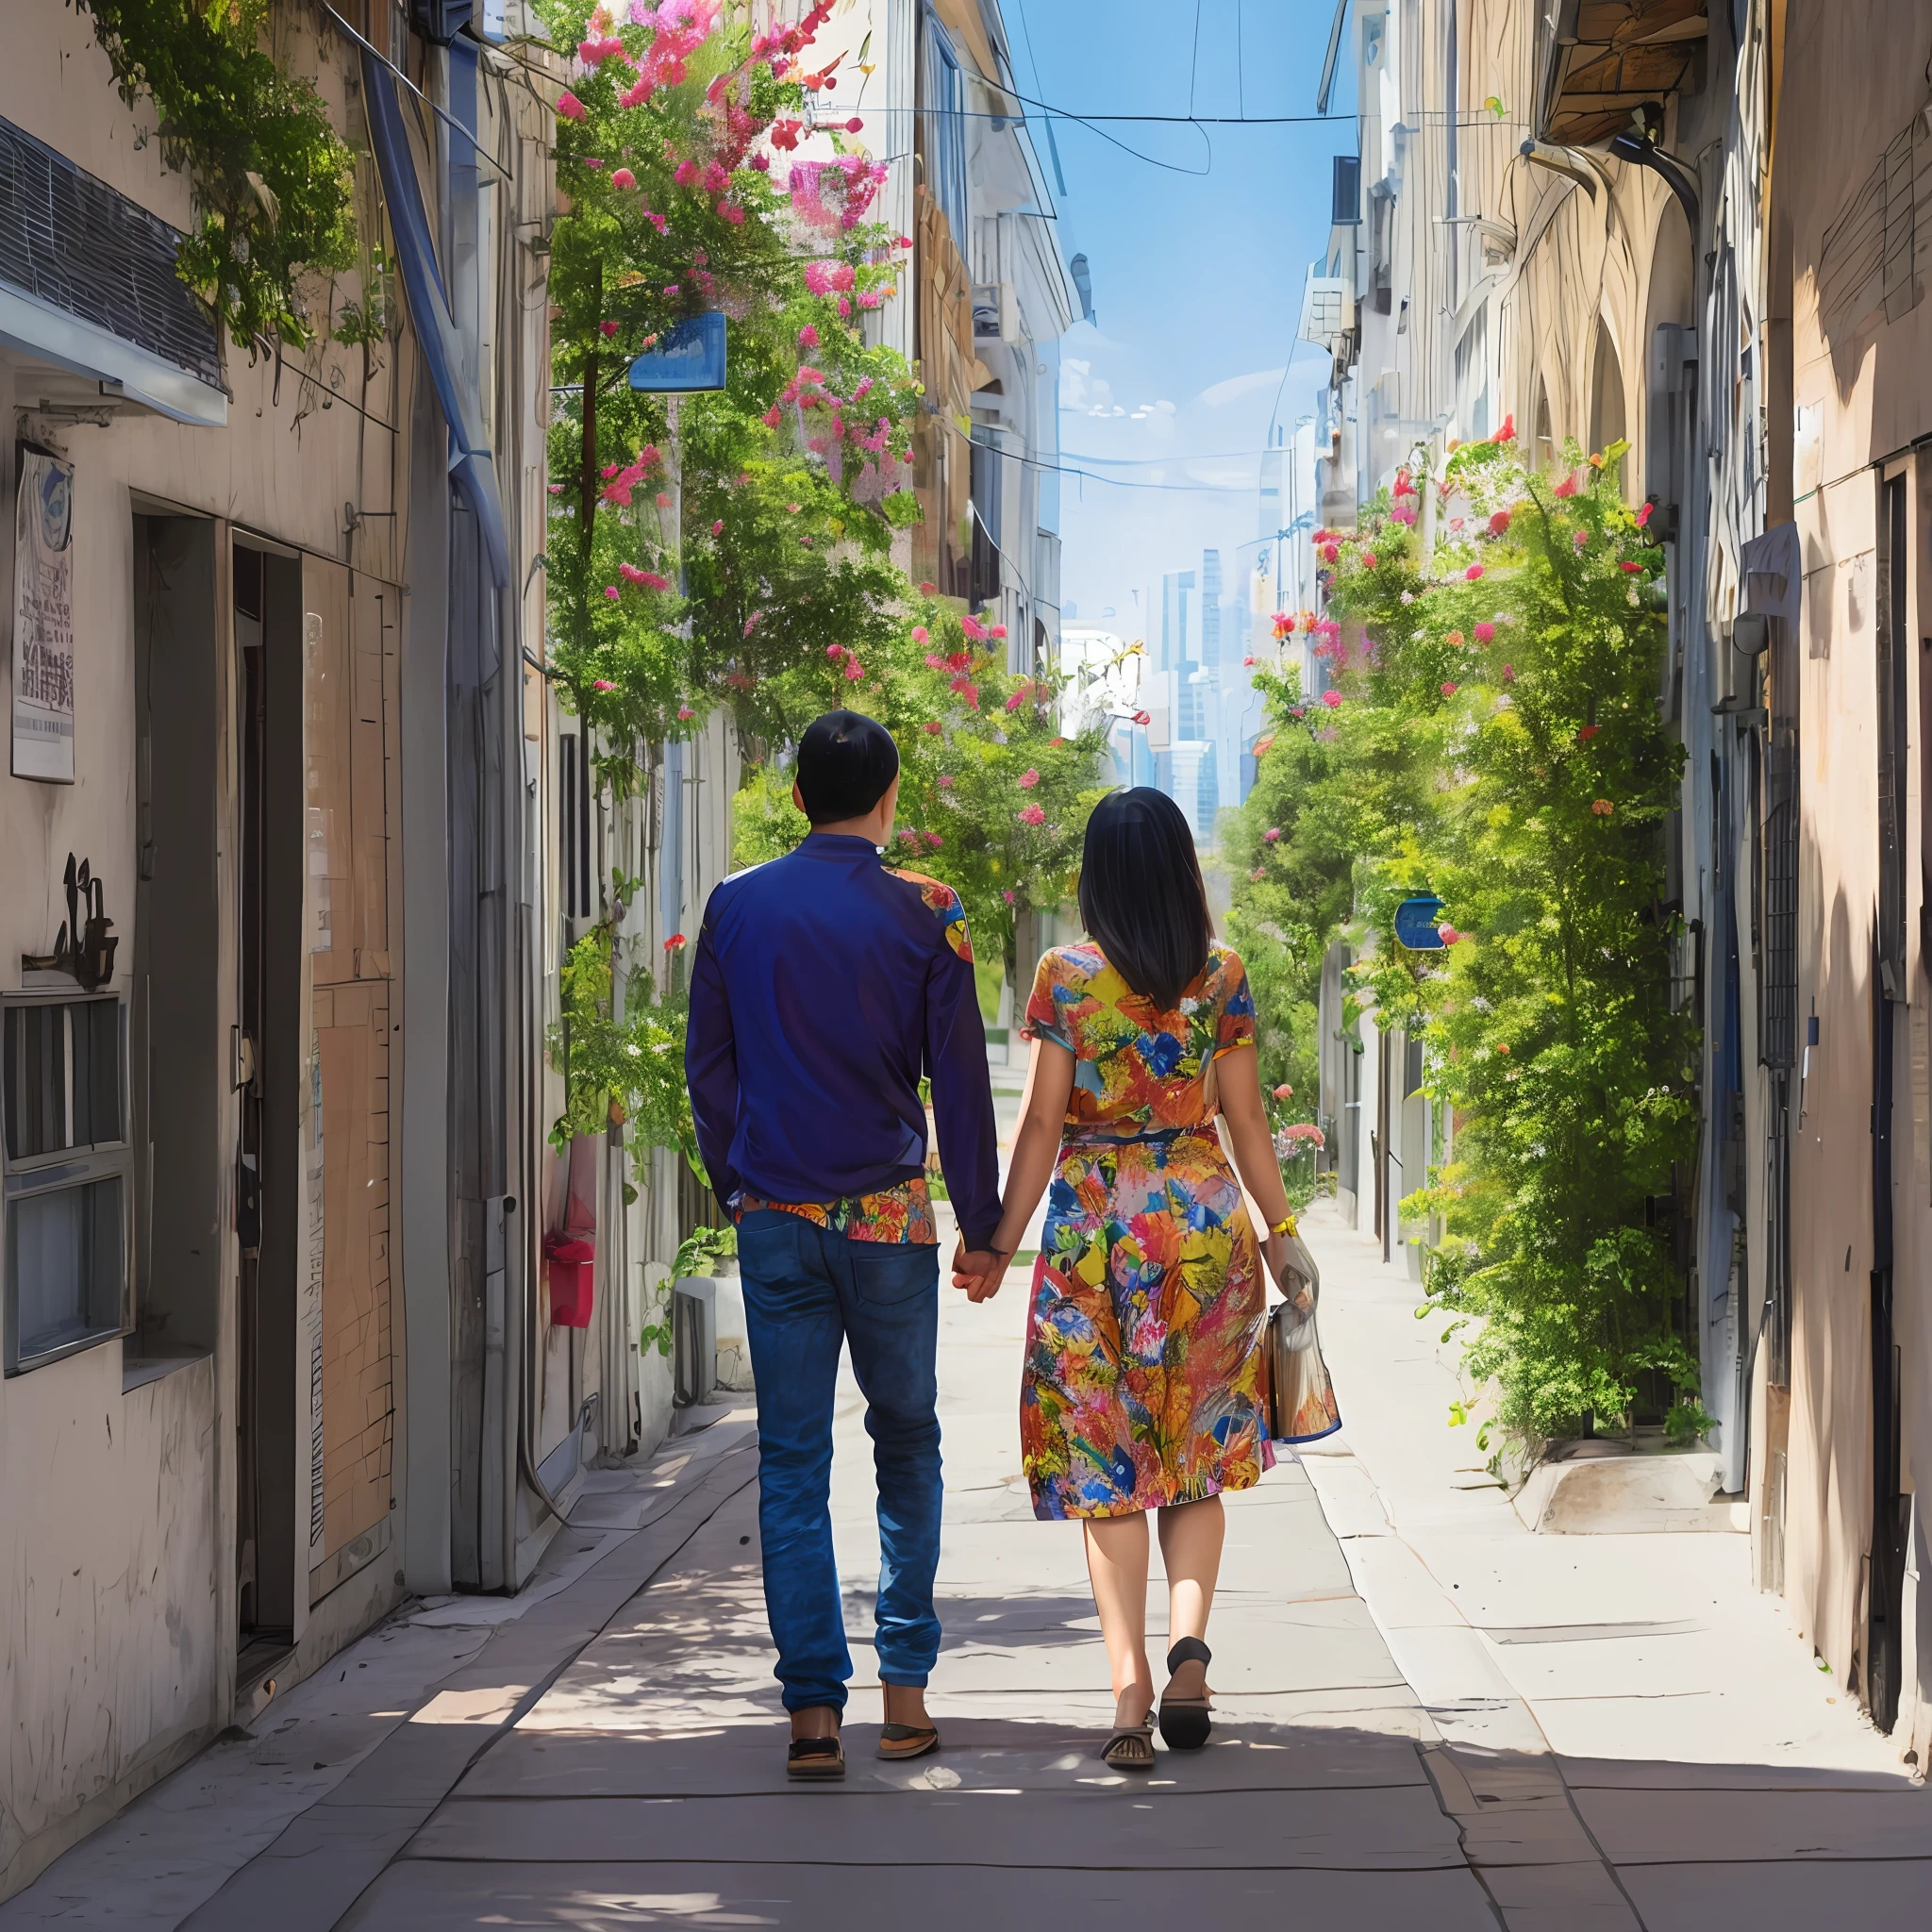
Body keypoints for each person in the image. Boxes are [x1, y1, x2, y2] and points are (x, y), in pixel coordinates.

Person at [951, 787, 1301, 1769]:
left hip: (1093, 1234)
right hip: (1199, 1223)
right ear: (1184, 870)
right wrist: (1279, 1234)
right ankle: (1191, 1650)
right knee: (1195, 1450)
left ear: (1094, 877)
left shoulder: (1064, 976)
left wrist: (993, 1242)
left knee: (1104, 1462)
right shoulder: (1219, 973)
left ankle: (1126, 1685)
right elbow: (1245, 1122)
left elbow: (1039, 1125)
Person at [686, 708, 1004, 1781]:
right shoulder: (929, 911)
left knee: (789, 1460)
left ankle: (811, 1715)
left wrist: (735, 1181)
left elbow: (710, 1067)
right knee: (905, 1442)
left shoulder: (734, 904)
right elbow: (956, 1080)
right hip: (885, 1218)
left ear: (795, 798)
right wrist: (984, 1226)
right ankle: (903, 1692)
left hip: (773, 1213)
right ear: (889, 793)